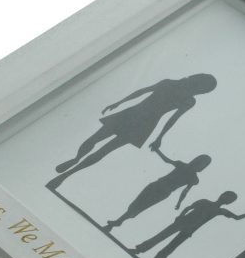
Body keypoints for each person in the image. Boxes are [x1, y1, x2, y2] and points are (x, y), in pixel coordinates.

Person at [46, 73, 217, 189]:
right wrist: (119, 102)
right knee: (97, 141)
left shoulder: (185, 98)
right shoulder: (173, 86)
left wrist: (160, 137)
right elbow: (142, 92)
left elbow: (171, 119)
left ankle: (67, 174)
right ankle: (74, 162)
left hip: (142, 122)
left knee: (101, 148)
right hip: (136, 118)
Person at [103, 149, 212, 233]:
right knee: (136, 204)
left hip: (163, 192)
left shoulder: (194, 179)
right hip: (155, 185)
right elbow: (167, 160)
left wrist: (179, 202)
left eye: (204, 164)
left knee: (140, 207)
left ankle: (118, 221)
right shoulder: (181, 165)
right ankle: (118, 221)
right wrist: (157, 150)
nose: (201, 165)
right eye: (201, 162)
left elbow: (185, 191)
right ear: (197, 160)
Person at [133, 191, 241, 258]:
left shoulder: (220, 211)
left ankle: (160, 255)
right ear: (221, 195)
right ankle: (139, 249)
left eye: (229, 199)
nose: (226, 199)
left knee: (173, 245)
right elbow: (188, 208)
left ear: (229, 203)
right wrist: (180, 217)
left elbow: (237, 217)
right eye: (226, 196)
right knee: (161, 236)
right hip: (182, 222)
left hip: (190, 229)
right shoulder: (205, 201)